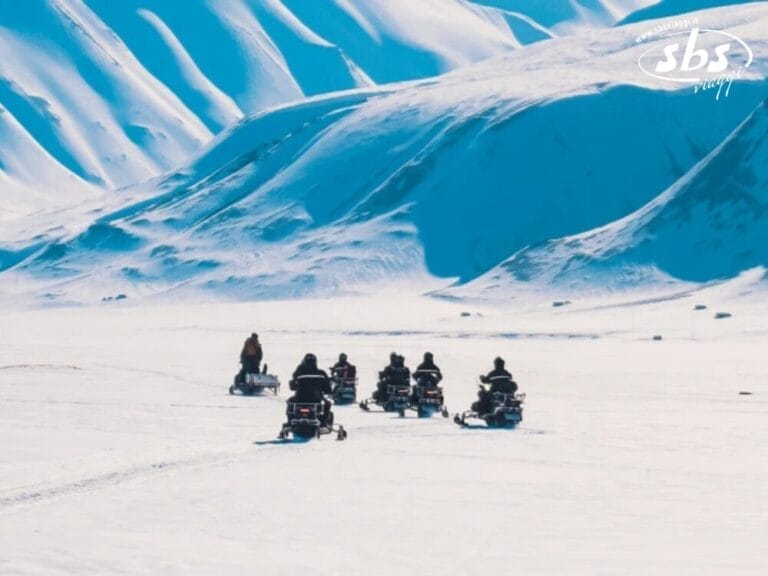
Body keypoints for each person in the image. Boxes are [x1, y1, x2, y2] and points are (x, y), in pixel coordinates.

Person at [287, 353, 333, 426]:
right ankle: (323, 421)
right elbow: (327, 387)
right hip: (316, 399)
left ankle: (289, 421)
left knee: (290, 402)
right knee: (327, 404)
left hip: (300, 398)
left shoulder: (299, 372)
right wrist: (328, 391)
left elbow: (293, 386)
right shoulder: (321, 373)